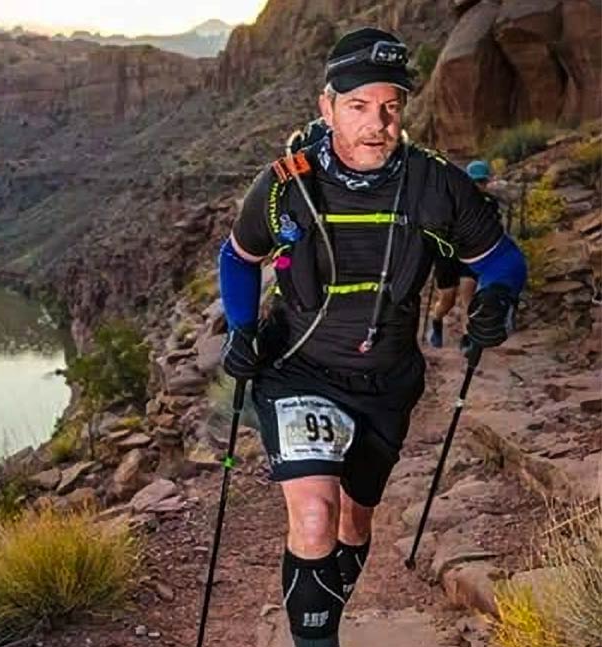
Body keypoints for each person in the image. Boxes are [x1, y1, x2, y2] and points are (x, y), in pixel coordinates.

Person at [217, 28, 526, 647]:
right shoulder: (284, 183)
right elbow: (238, 256)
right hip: (297, 368)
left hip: (387, 381)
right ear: (327, 106)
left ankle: (328, 603)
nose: (376, 123)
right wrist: (243, 330)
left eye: (390, 106)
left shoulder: (435, 184)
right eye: (358, 106)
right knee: (314, 517)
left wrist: (496, 298)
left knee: (356, 520)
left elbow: (502, 260)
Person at [428, 160, 493, 349]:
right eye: (475, 182)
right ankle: (437, 322)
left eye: (482, 182)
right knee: (446, 300)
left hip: (472, 256)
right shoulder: (450, 202)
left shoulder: (489, 205)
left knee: (468, 299)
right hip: (447, 256)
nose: (478, 186)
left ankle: (467, 339)